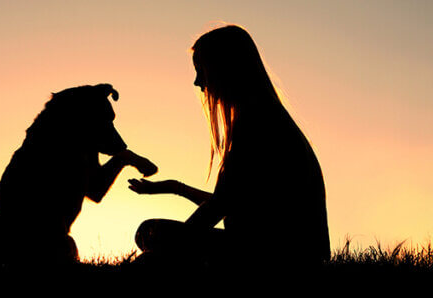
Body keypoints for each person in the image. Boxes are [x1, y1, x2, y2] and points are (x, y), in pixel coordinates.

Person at [127, 25, 330, 267]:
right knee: (151, 232)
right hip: (291, 249)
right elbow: (231, 200)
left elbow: (219, 206)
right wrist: (176, 188)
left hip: (279, 255)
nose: (197, 81)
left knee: (152, 235)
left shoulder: (257, 121)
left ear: (224, 68)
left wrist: (174, 247)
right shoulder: (265, 116)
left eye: (201, 70)